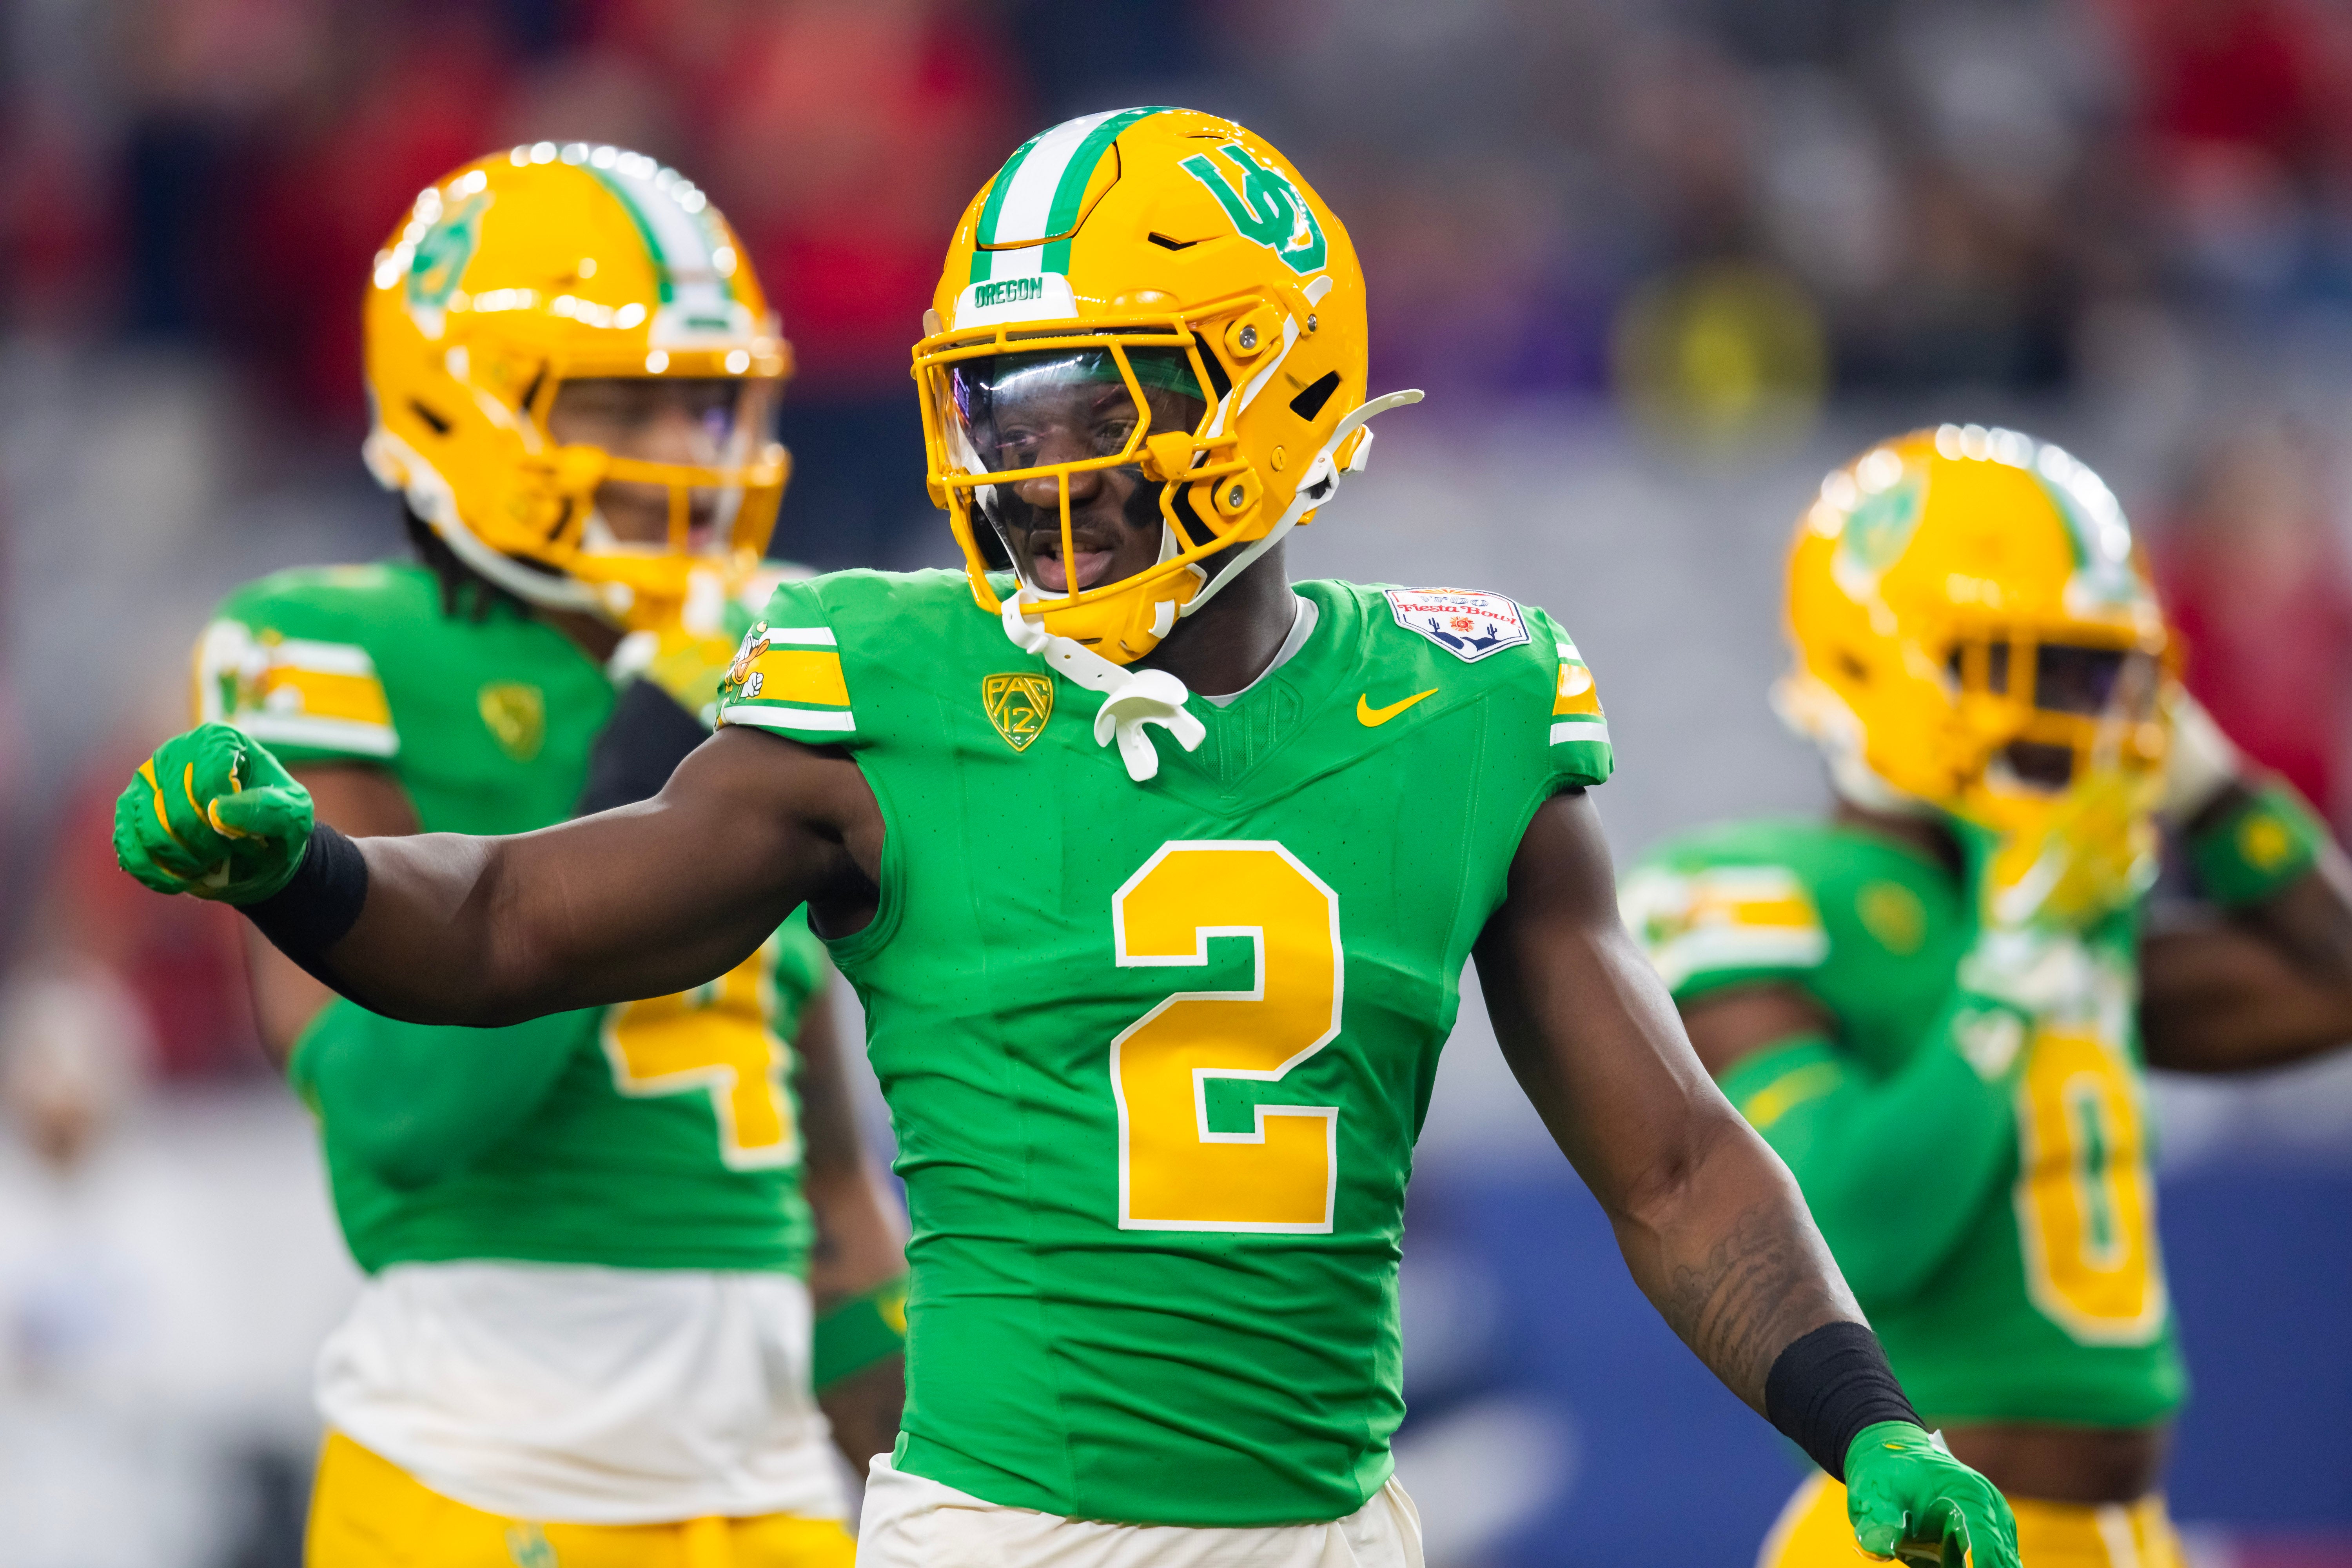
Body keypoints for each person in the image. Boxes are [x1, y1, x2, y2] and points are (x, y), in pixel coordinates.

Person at [118, 110, 2017, 1567]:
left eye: (1090, 399)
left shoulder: (1472, 703)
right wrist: (307, 868)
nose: (1036, 469)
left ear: (1273, 386)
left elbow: (1678, 1163)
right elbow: (521, 919)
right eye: (997, 404)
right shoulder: (878, 686)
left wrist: (1868, 1420)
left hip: (1332, 1529)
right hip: (994, 1531)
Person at [184, 145, 908, 1566]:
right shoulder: (329, 645)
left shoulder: (772, 641)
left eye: (705, 405)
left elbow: (823, 1183)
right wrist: (645, 761)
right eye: (624, 406)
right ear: (461, 404)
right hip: (482, 1463)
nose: (685, 461)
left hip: (765, 1480)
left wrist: (940, 1490)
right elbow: (397, 1112)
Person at [1619, 424, 2352, 1568]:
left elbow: (2335, 983)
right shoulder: (1769, 899)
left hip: (2129, 1538)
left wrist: (2207, 783)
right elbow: (1847, 1236)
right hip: (1917, 1540)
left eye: (2100, 668)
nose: (2084, 709)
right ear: (1884, 658)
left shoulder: (2062, 900)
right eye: (2030, 665)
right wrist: (2007, 972)